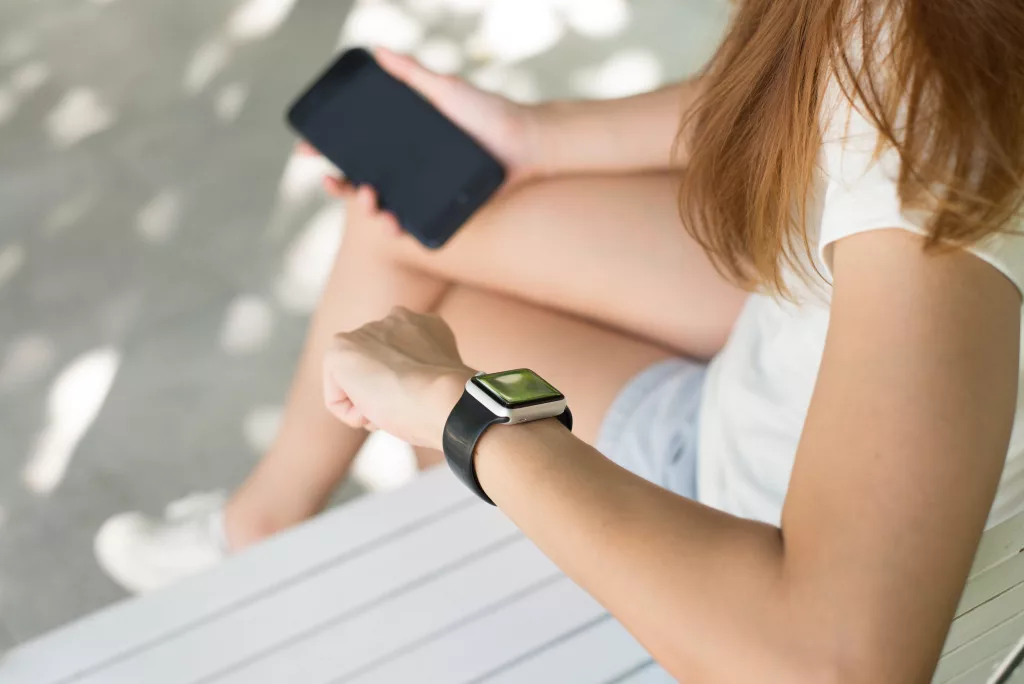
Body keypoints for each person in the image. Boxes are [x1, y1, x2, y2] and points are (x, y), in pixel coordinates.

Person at [97, 0, 1024, 678]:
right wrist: (538, 136)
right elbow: (836, 82)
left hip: (736, 512)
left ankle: (262, 539)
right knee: (419, 214)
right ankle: (258, 528)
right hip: (804, 326)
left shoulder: (939, 137)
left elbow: (829, 663)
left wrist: (457, 410)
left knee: (437, 311)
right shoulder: (932, 49)